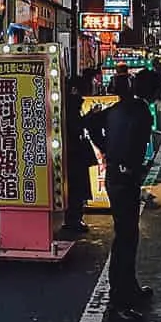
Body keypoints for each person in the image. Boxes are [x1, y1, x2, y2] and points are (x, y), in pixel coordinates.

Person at [84, 74, 155, 322]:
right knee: (125, 237)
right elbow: (141, 139)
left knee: (128, 235)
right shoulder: (138, 110)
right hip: (126, 177)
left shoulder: (115, 111)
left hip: (119, 176)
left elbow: (90, 121)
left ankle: (129, 289)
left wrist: (105, 148)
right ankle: (118, 300)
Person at [61, 73, 96, 235]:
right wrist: (90, 117)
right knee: (77, 188)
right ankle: (73, 220)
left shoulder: (66, 104)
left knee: (74, 188)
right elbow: (76, 126)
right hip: (75, 154)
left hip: (70, 153)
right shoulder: (72, 106)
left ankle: (72, 218)